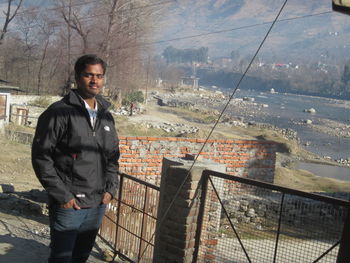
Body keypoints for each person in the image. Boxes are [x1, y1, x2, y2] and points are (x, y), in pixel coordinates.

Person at [32, 54, 120, 263]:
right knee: (62, 258)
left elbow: (112, 158)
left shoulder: (106, 116)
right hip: (70, 206)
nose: (94, 80)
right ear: (78, 77)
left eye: (99, 76)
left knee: (81, 256)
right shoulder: (58, 113)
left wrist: (110, 189)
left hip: (97, 203)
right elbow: (41, 157)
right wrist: (63, 196)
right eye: (88, 75)